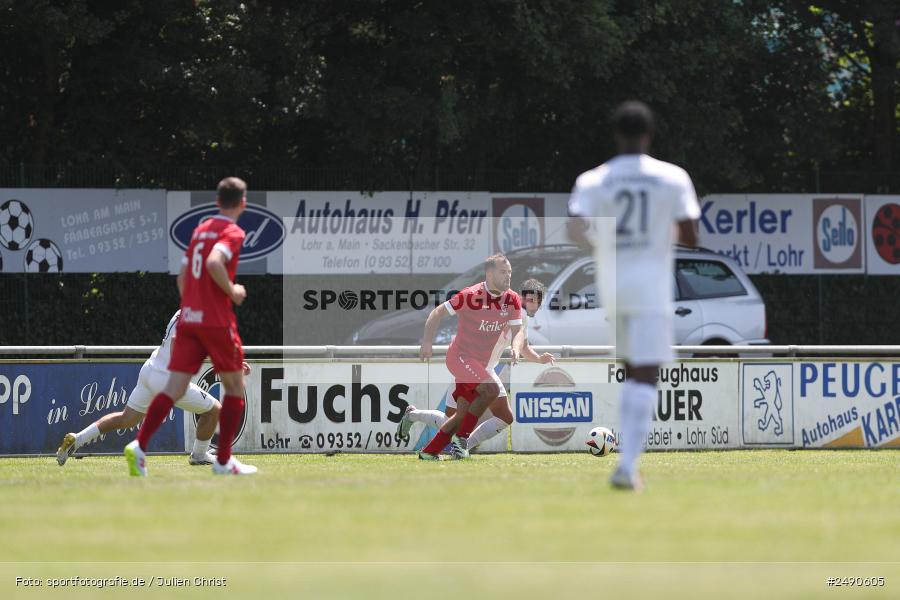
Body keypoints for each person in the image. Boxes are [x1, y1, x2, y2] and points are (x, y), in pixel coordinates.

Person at [567, 100, 699, 491]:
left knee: (630, 371)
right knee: (646, 374)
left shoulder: (594, 179)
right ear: (648, 135)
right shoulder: (672, 177)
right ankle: (626, 466)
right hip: (651, 288)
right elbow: (692, 237)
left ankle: (627, 463)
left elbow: (575, 231)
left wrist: (604, 246)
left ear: (616, 134)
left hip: (614, 286)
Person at [124, 176, 256, 476]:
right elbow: (213, 263)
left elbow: (182, 277)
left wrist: (194, 306)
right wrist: (232, 291)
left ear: (218, 201)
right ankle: (223, 461)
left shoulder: (200, 230)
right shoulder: (232, 232)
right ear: (243, 203)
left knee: (175, 386)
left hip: (190, 319)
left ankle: (139, 445)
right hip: (216, 320)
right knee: (235, 385)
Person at [55, 310, 250, 467]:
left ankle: (77, 438)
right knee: (213, 410)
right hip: (166, 378)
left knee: (126, 418)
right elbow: (177, 341)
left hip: (150, 369)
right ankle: (199, 456)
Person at [398, 278, 554, 452]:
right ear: (521, 297)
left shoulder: (520, 316)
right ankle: (413, 416)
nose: (535, 305)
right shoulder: (509, 308)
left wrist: (539, 359)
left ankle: (460, 446)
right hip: (468, 365)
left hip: (486, 369)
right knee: (454, 421)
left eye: (538, 302)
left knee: (504, 417)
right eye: (531, 300)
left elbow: (523, 345)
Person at [416, 254, 523, 460]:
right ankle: (462, 440)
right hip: (460, 357)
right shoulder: (470, 295)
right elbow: (436, 313)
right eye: (503, 272)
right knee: (489, 389)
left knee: (467, 414)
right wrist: (427, 342)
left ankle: (429, 452)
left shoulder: (512, 299)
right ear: (489, 273)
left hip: (481, 366)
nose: (508, 276)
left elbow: (519, 332)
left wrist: (516, 348)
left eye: (510, 272)